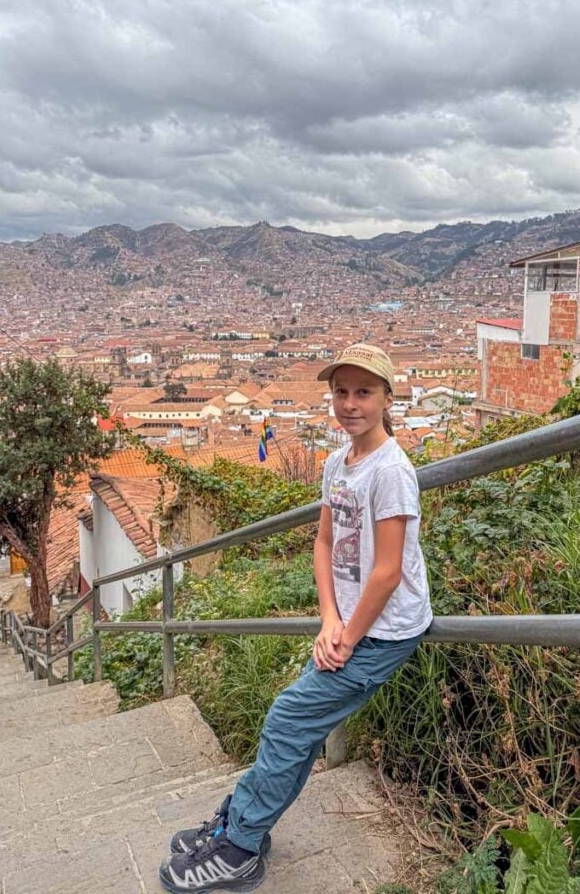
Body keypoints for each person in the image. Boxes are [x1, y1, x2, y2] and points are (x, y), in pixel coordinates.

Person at [159, 343, 433, 893]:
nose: (350, 403)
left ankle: (240, 845)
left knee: (288, 719)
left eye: (363, 392)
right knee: (296, 726)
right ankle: (241, 823)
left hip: (382, 632)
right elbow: (325, 541)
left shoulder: (392, 471)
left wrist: (348, 637)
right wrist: (329, 618)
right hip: (350, 626)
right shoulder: (338, 462)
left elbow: (386, 572)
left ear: (387, 398)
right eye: (341, 392)